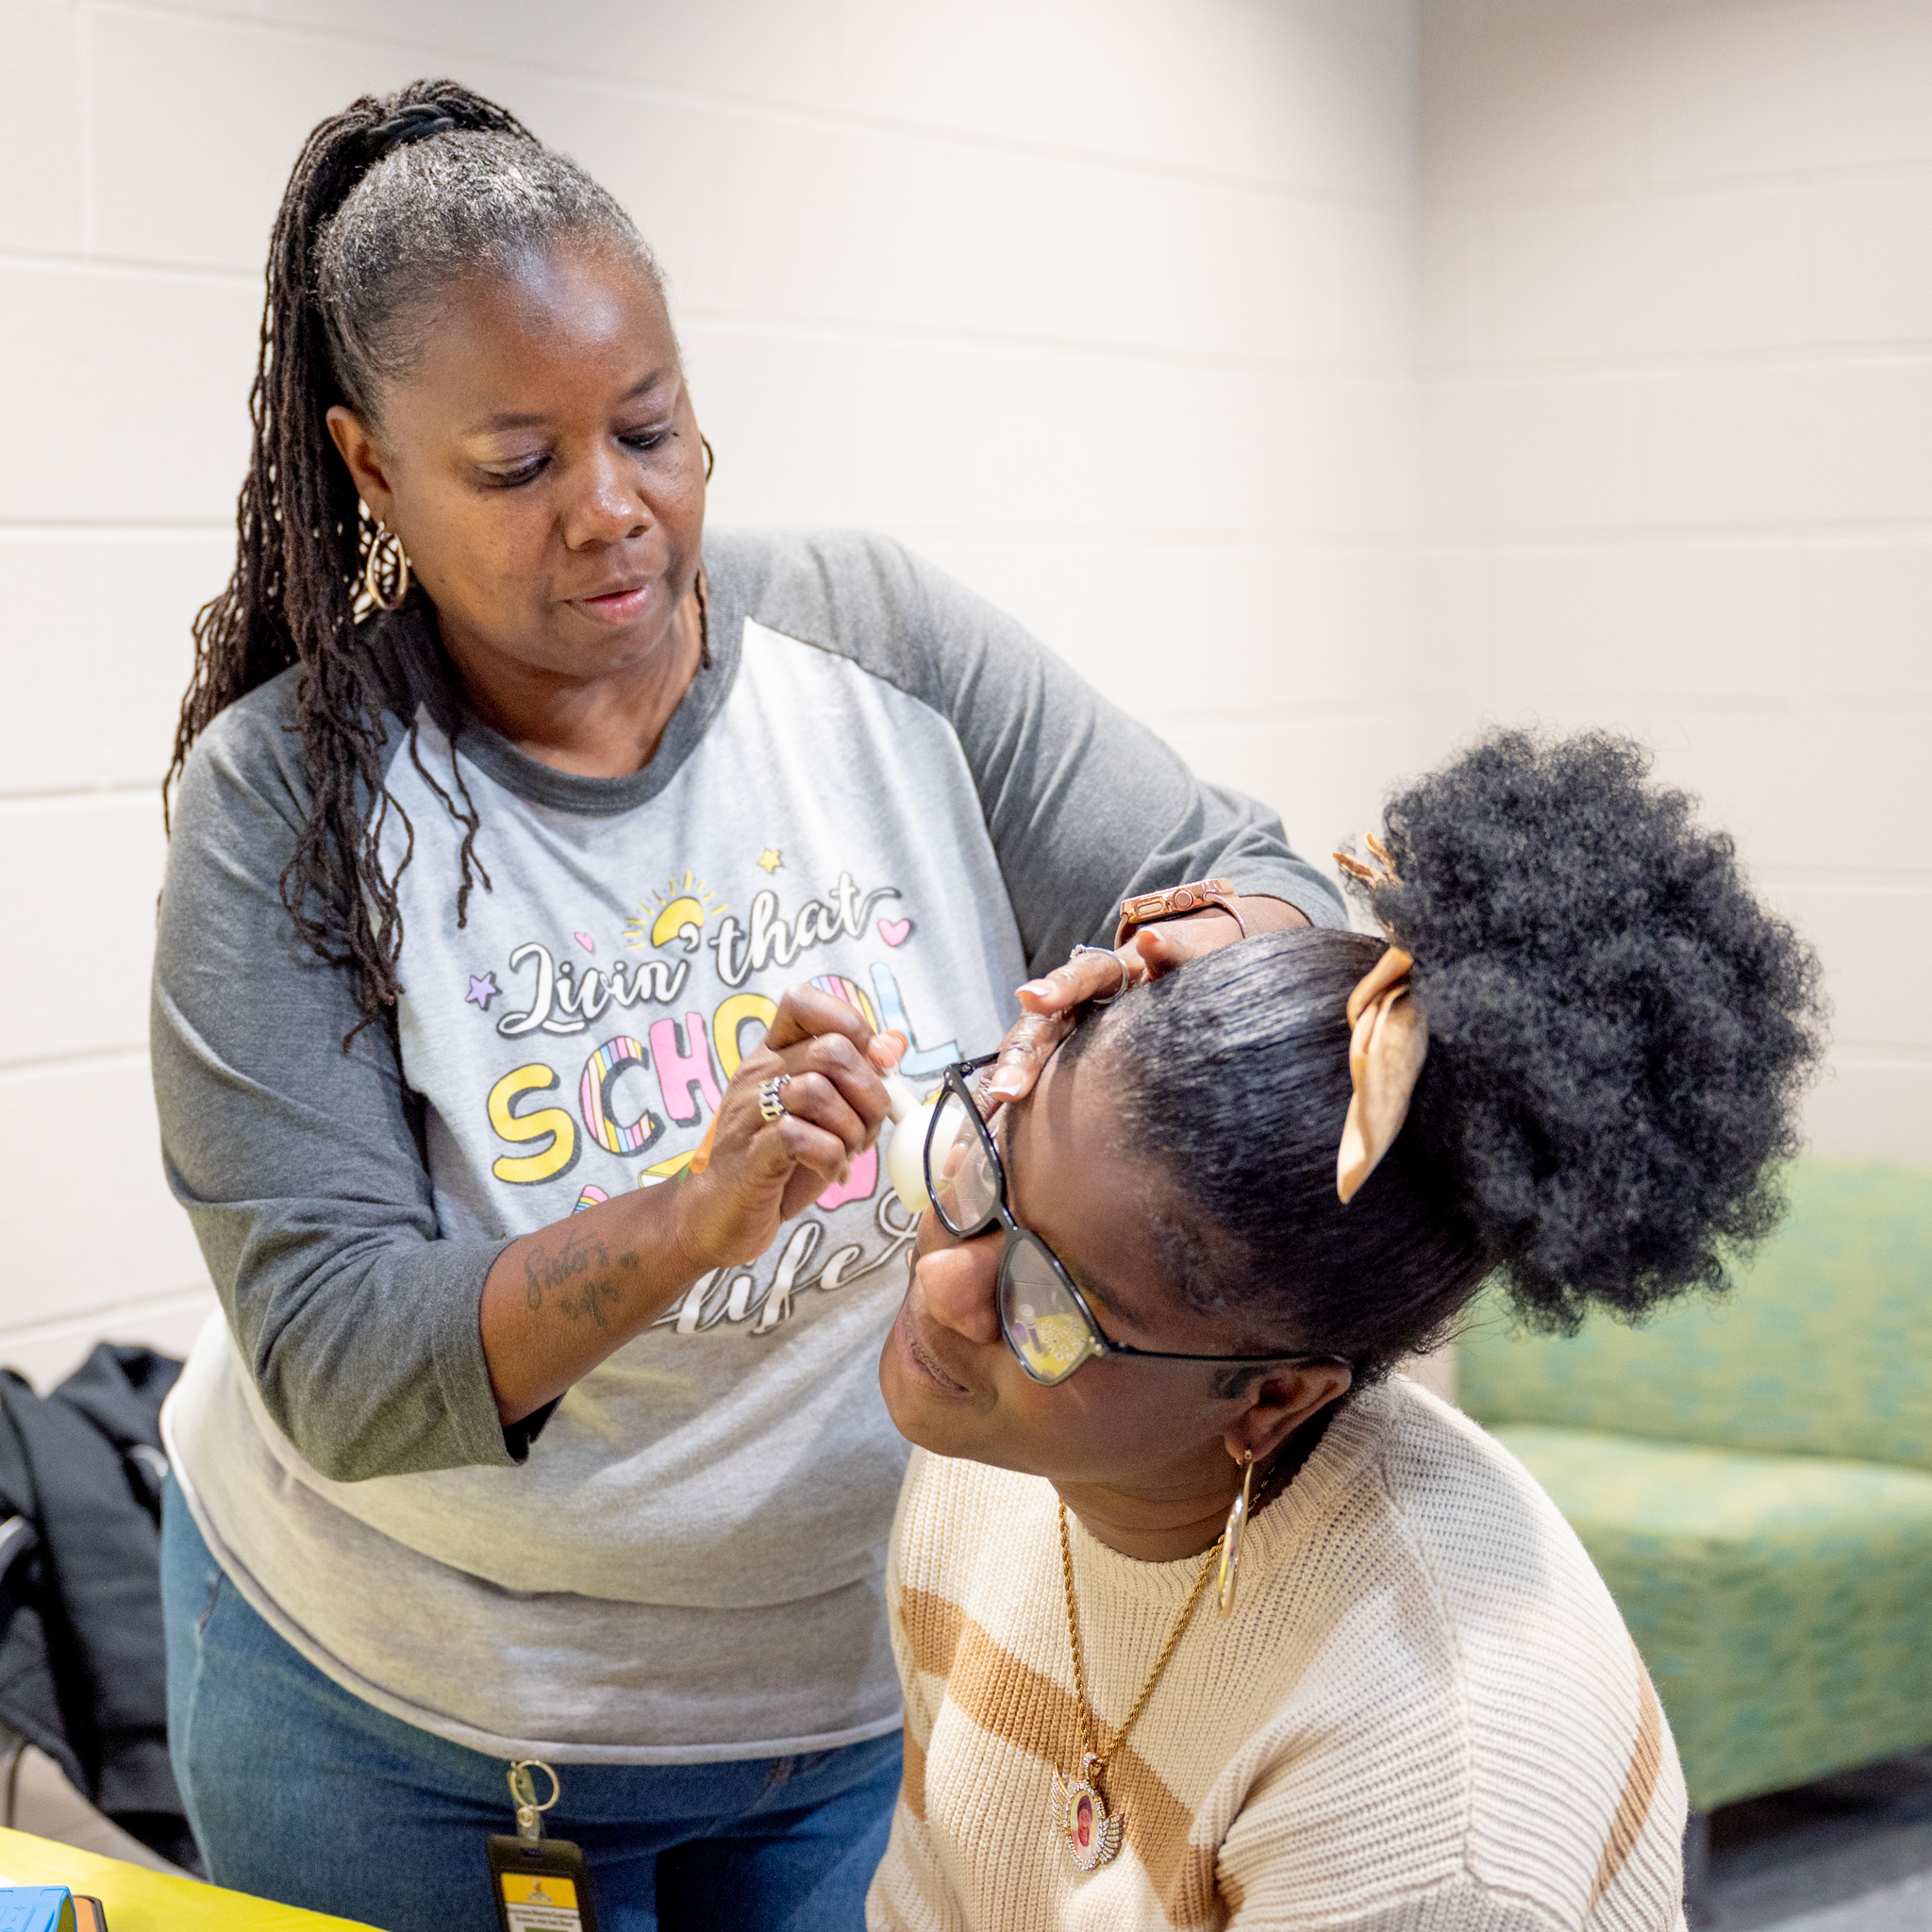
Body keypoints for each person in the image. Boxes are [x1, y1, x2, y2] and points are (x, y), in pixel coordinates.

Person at [151, 76, 1341, 1932]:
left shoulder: (880, 648)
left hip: (844, 1688)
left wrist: (1182, 967)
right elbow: (343, 1359)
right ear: (372, 467)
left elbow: (1254, 867)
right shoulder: (287, 803)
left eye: (651, 427)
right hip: (418, 1729)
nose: (612, 511)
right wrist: (692, 1217)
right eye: (518, 465)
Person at [870, 730, 1824, 1931]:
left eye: (1045, 1300)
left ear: (1273, 1398)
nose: (944, 1292)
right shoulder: (992, 1463)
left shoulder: (1434, 1796)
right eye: (979, 1166)